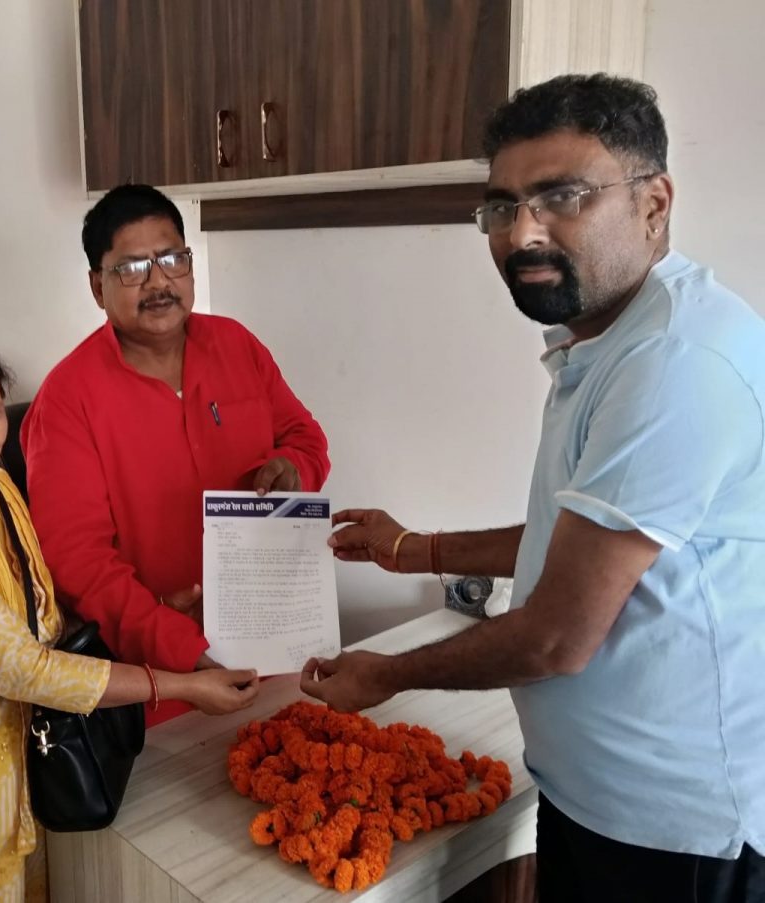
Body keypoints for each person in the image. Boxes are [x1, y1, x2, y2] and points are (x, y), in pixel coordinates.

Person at [301, 73, 765, 902]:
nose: (523, 233)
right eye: (501, 207)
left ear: (654, 204)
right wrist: (413, 549)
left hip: (672, 833)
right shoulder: (608, 339)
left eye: (563, 197)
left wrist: (388, 672)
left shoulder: (672, 363)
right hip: (596, 797)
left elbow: (557, 636)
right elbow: (573, 539)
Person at [0, 331, 259, 903]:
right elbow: (22, 667)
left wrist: (156, 608)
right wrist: (178, 685)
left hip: (12, 766)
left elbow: (37, 615)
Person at [21, 184, 330, 723]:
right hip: (162, 684)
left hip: (277, 645)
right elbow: (79, 564)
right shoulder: (68, 399)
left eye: (172, 259)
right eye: (132, 268)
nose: (158, 282)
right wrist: (183, 650)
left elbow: (306, 440)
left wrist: (294, 471)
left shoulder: (237, 346)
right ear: (97, 286)